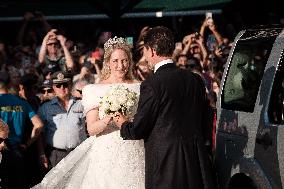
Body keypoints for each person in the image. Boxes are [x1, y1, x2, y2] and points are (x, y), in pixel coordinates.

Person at [33, 36, 144, 189]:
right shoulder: (94, 89)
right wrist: (109, 118)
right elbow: (91, 129)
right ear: (107, 63)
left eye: (124, 60)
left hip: (135, 147)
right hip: (106, 151)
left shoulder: (140, 87)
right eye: (115, 61)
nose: (120, 65)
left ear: (130, 61)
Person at [113, 26, 215, 189]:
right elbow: (205, 120)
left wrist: (124, 124)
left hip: (167, 166)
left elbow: (138, 129)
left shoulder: (152, 84)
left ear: (152, 50)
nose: (144, 55)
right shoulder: (195, 79)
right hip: (196, 161)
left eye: (145, 50)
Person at [0, 71, 44, 189]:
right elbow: (39, 125)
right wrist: (27, 144)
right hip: (17, 151)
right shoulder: (21, 103)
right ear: (9, 85)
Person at [38, 71, 87, 168]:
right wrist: (42, 154)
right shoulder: (46, 107)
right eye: (58, 85)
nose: (62, 88)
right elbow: (40, 134)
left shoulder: (82, 103)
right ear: (53, 88)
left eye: (65, 84)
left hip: (79, 152)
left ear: (70, 85)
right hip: (56, 154)